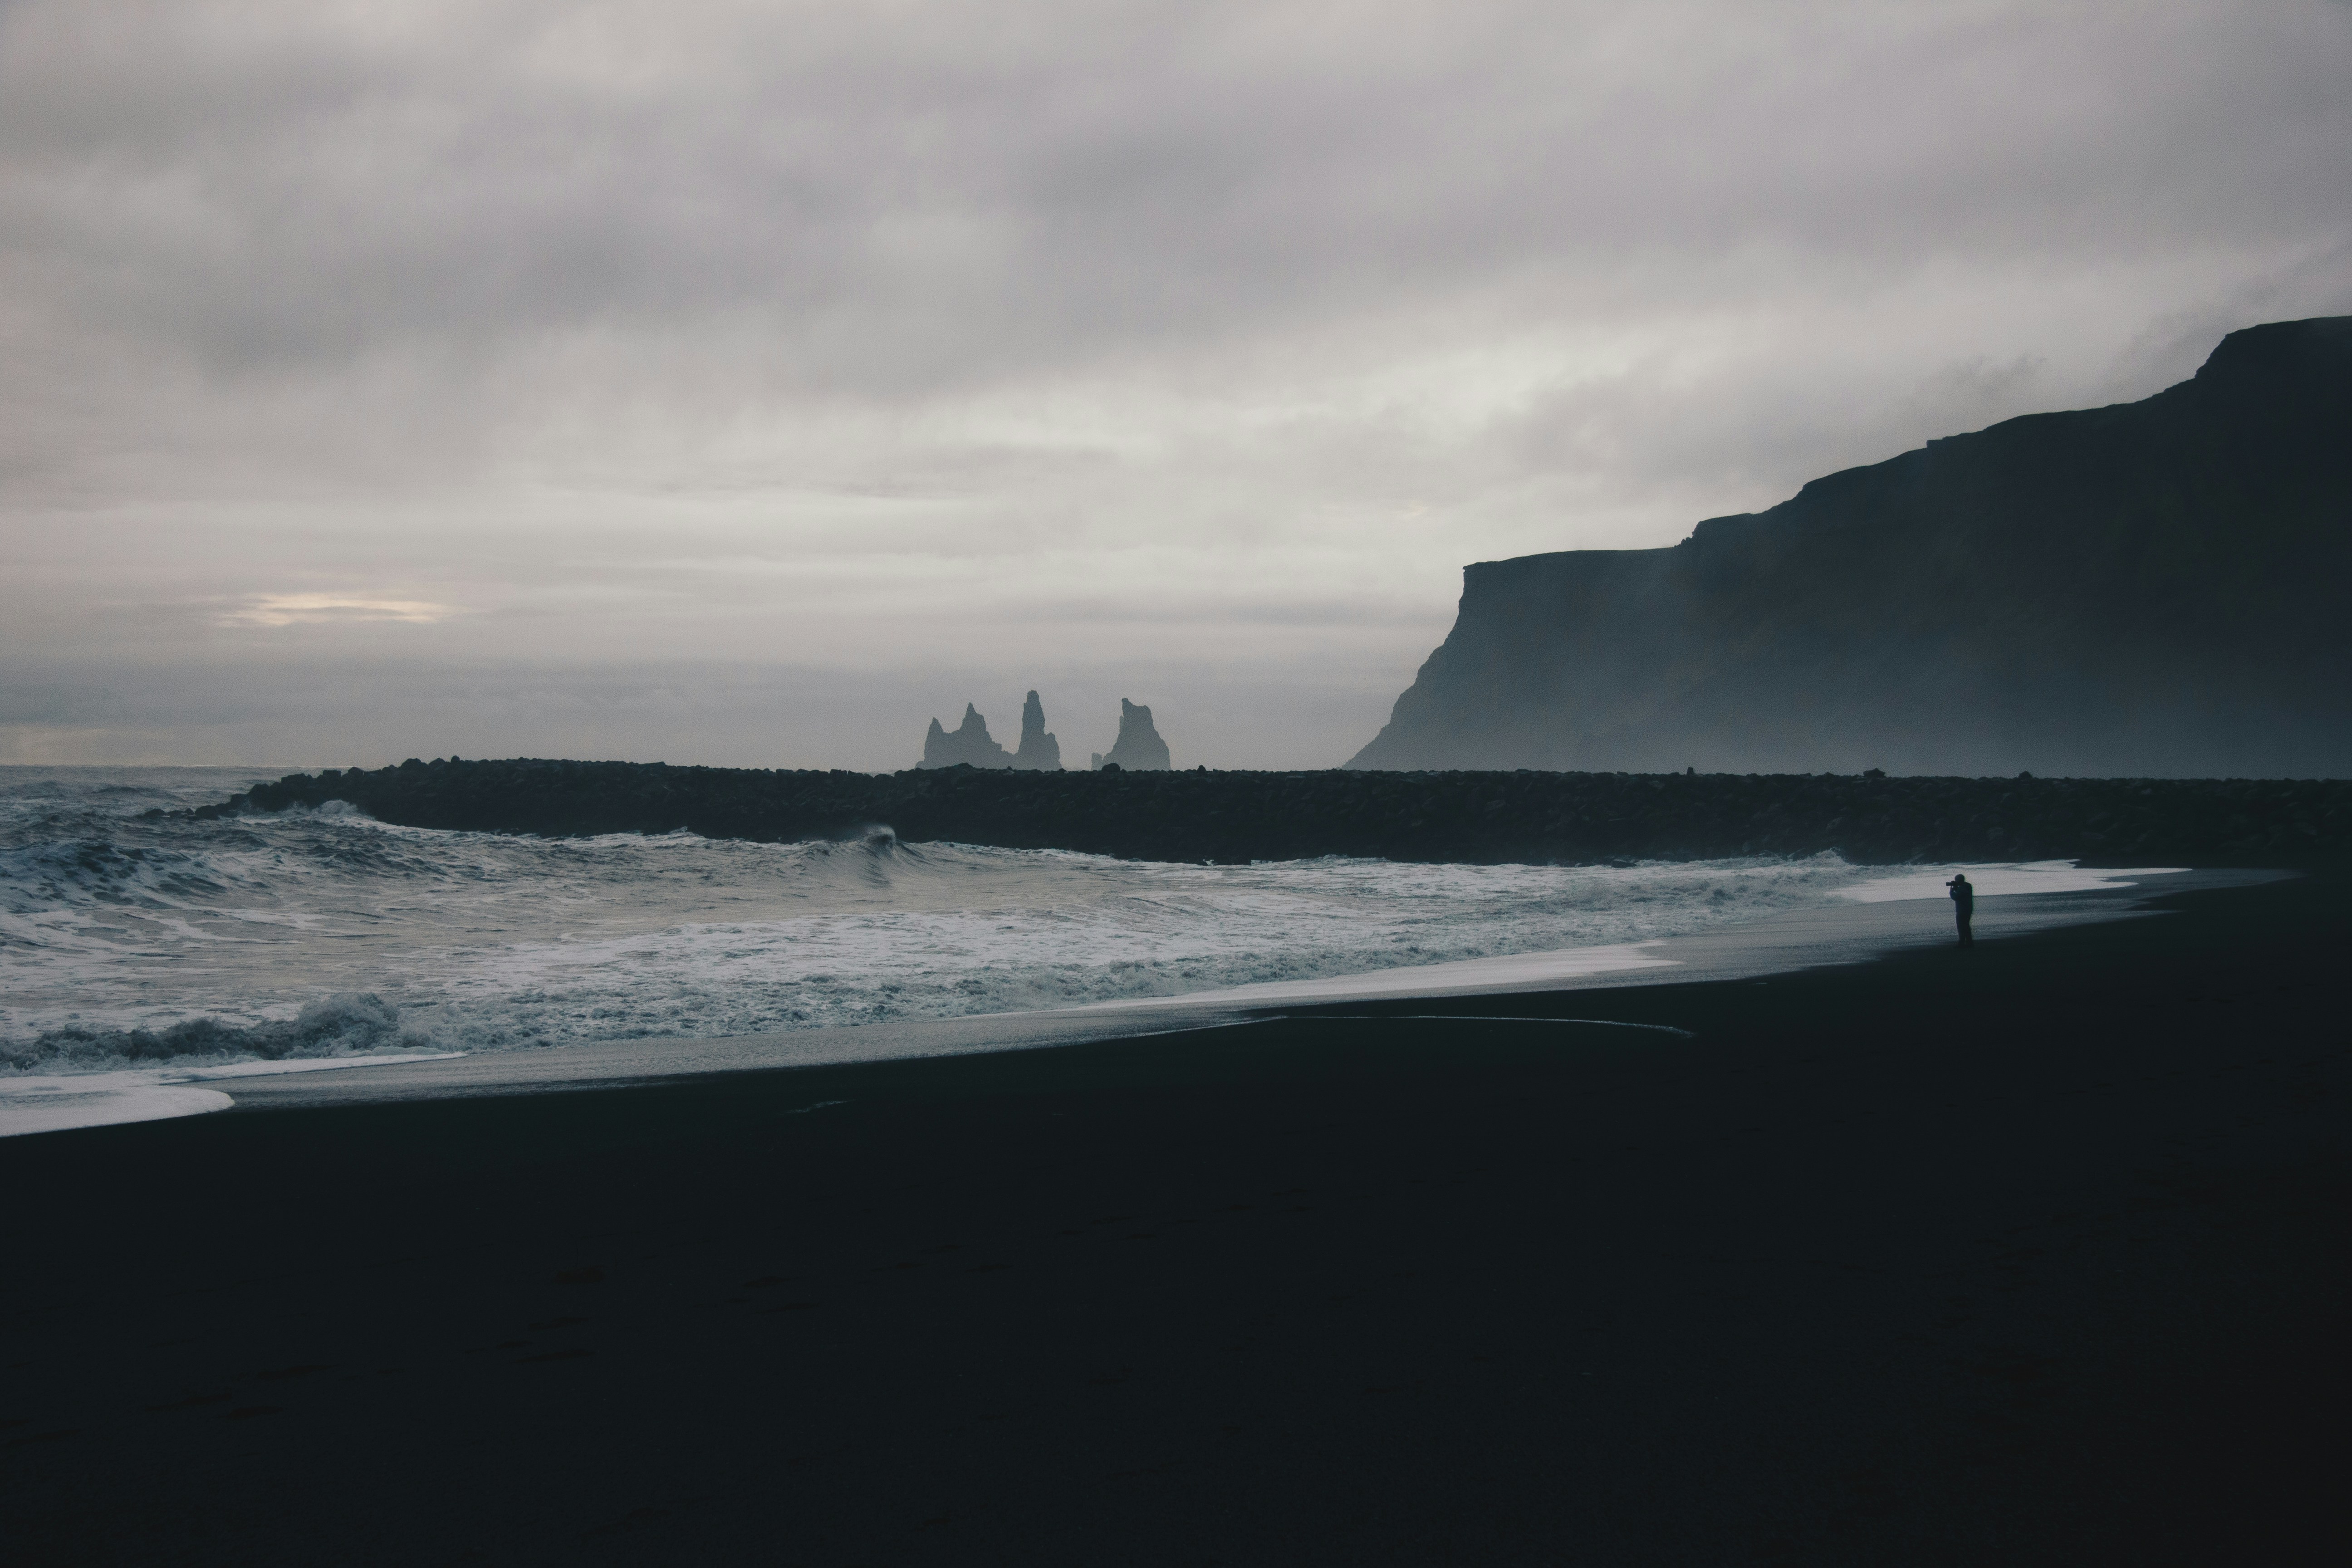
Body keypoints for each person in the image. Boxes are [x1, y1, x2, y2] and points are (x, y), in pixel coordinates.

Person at [1947, 872, 1975, 947]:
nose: (1955, 882)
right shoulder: (1967, 886)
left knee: (1961, 926)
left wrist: (1951, 891)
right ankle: (1969, 942)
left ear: (1959, 881)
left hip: (1962, 910)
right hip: (1968, 909)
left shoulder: (1963, 888)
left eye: (1956, 881)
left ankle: (1962, 942)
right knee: (1966, 926)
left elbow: (1956, 897)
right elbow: (1962, 895)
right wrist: (1956, 888)